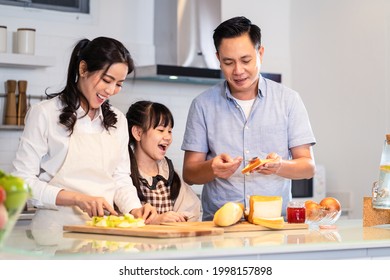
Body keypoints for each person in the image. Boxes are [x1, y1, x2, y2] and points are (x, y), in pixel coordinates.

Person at [11, 37, 157, 228]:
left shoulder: (118, 120)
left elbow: (120, 179)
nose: (111, 90)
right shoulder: (44, 113)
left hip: (104, 236)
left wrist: (134, 209)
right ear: (83, 69)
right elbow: (22, 182)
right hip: (55, 237)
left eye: (119, 84)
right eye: (107, 80)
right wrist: (76, 199)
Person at [181, 16, 316, 221]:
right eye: (228, 62)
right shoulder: (203, 105)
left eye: (246, 60)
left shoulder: (288, 100)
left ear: (260, 53)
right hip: (219, 225)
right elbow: (190, 174)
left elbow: (307, 167)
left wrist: (280, 166)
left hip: (273, 224)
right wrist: (212, 168)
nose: (238, 71)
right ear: (218, 59)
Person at [126, 100, 201, 224]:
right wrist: (156, 220)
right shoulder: (123, 175)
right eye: (161, 130)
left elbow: (192, 210)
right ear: (138, 133)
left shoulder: (170, 174)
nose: (168, 137)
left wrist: (179, 218)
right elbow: (118, 218)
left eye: (170, 131)